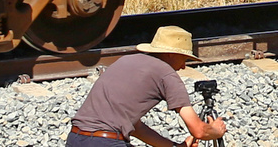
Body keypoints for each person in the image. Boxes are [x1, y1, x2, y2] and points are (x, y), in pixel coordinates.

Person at [67, 25, 228, 147]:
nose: (184, 67)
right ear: (171, 54)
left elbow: (135, 127)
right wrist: (216, 130)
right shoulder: (166, 74)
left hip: (75, 139)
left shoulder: (126, 61)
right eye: (184, 59)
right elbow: (198, 130)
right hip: (106, 142)